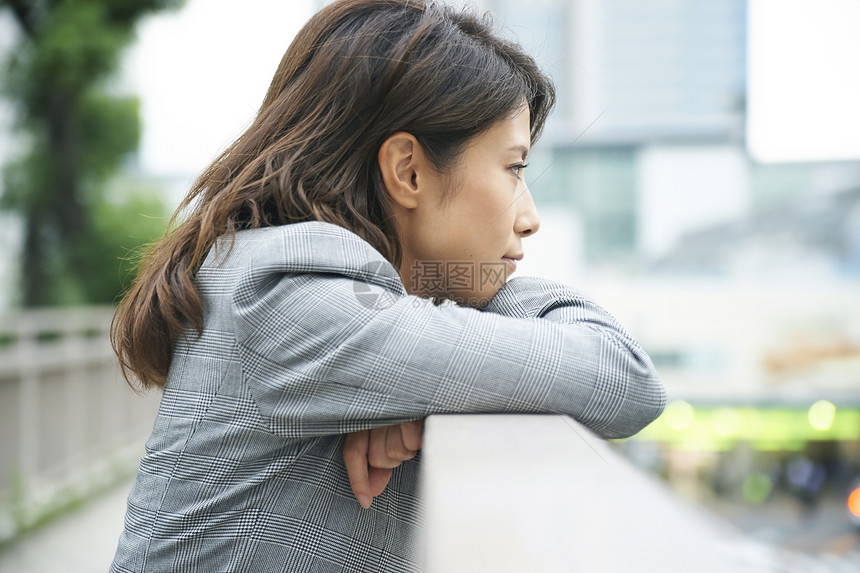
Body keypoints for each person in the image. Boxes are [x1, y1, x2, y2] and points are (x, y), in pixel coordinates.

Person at [109, 0, 666, 571]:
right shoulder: (286, 296)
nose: (529, 218)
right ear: (409, 172)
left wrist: (423, 393)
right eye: (514, 168)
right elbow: (625, 378)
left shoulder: (302, 288)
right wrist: (459, 337)